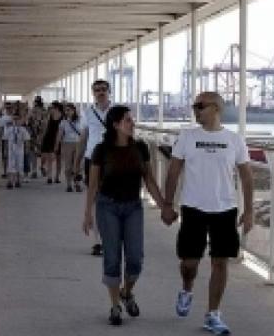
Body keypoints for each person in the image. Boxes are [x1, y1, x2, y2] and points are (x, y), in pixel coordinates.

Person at [161, 92, 253, 335]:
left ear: (216, 108)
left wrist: (250, 211)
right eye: (194, 106)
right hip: (193, 208)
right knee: (189, 263)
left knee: (220, 262)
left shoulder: (234, 140)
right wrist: (167, 205)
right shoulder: (187, 137)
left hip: (225, 209)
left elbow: (246, 177)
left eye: (200, 106)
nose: (195, 110)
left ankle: (213, 314)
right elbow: (173, 172)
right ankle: (187, 288)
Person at [83, 105, 168, 326]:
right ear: (116, 125)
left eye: (132, 119)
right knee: (112, 257)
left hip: (133, 207)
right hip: (107, 207)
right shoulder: (101, 150)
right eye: (128, 120)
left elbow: (149, 180)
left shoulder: (140, 147)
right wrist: (87, 214)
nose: (132, 123)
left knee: (135, 259)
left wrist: (164, 207)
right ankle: (115, 306)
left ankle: (127, 292)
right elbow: (93, 185)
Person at [77, 79, 116, 257]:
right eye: (97, 90)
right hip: (92, 158)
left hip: (113, 159)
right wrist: (76, 162)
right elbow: (83, 137)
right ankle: (97, 241)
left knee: (113, 199)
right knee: (94, 198)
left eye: (103, 89)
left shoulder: (117, 111)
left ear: (109, 91)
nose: (100, 92)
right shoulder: (87, 113)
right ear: (93, 93)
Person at [57, 103, 85, 192]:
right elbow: (59, 134)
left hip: (78, 144)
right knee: (68, 165)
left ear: (74, 110)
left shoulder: (80, 120)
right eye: (66, 110)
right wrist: (57, 145)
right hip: (67, 144)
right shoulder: (63, 122)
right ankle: (69, 184)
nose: (67, 112)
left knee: (78, 165)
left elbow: (83, 133)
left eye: (69, 110)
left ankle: (77, 184)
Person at [40, 102, 64, 184]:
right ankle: (49, 177)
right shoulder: (49, 116)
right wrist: (42, 138)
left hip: (59, 139)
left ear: (56, 108)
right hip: (49, 139)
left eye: (52, 107)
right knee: (49, 158)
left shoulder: (63, 117)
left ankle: (57, 177)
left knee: (58, 159)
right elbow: (45, 128)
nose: (50, 109)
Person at [5, 113, 29, 189]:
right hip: (11, 149)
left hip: (20, 150)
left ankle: (18, 181)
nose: (16, 121)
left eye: (17, 119)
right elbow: (6, 140)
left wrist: (26, 149)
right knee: (11, 165)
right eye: (14, 119)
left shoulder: (23, 130)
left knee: (19, 165)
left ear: (20, 120)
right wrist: (6, 149)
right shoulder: (9, 129)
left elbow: (26, 140)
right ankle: (10, 181)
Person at [27, 96, 47, 180]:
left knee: (35, 153)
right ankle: (40, 168)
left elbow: (28, 122)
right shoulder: (43, 111)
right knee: (41, 153)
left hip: (36, 135)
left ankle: (36, 170)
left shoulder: (33, 111)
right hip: (40, 135)